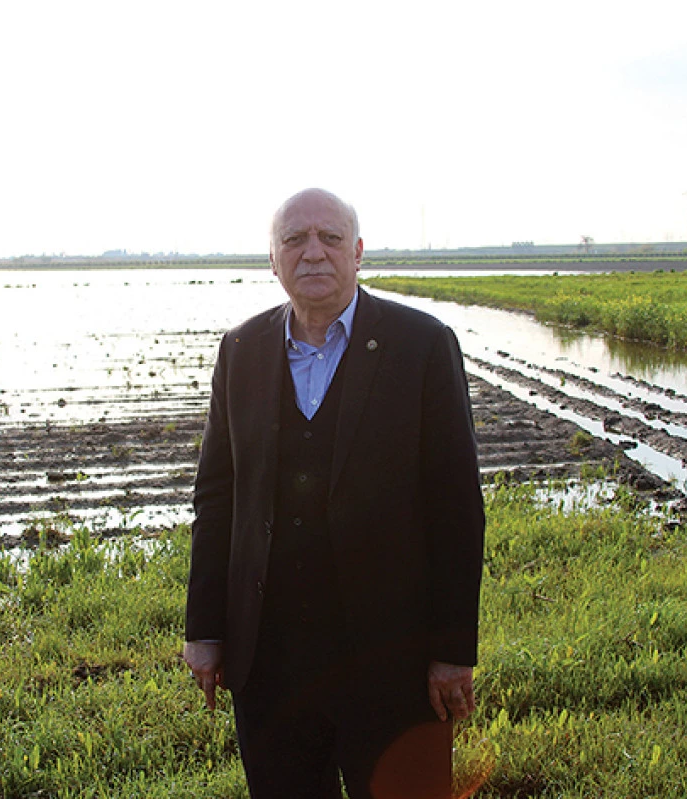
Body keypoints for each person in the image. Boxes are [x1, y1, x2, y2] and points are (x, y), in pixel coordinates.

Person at [183, 188, 485, 799]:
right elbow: (216, 499)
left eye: (330, 238)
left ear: (359, 252)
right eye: (294, 240)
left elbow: (456, 504)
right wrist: (205, 629)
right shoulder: (240, 350)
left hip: (391, 659)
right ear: (273, 259)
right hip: (269, 660)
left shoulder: (423, 345)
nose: (313, 253)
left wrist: (453, 649)